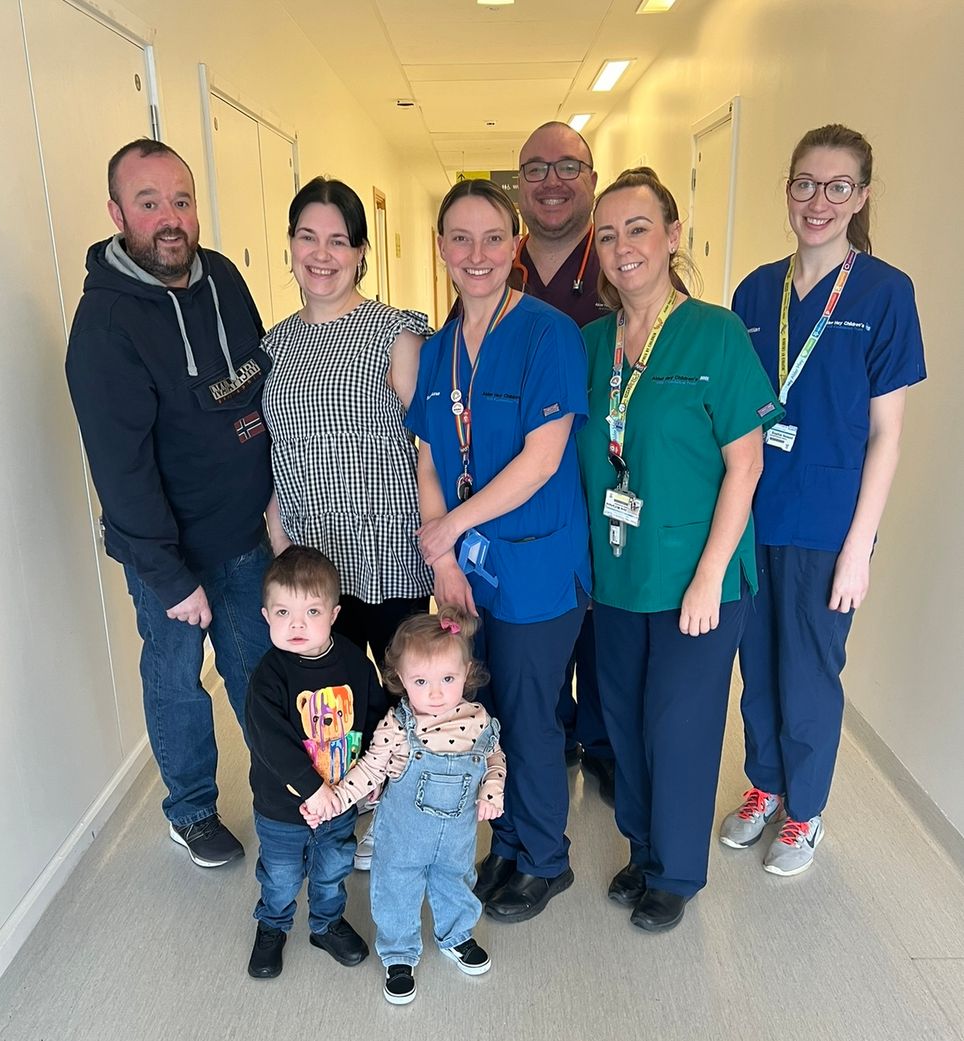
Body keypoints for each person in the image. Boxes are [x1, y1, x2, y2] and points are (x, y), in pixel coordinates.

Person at [577, 168, 783, 932]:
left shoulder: (715, 333)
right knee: (625, 721)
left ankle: (676, 872)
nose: (623, 246)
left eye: (638, 228)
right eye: (607, 234)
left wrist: (708, 576)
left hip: (700, 577)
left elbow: (746, 464)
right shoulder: (592, 344)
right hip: (617, 569)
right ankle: (642, 848)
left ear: (671, 236)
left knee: (680, 726)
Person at [719, 125, 926, 876]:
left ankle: (804, 811)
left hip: (828, 526)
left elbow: (887, 435)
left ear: (861, 197)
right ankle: (765, 785)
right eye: (805, 183)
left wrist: (859, 548)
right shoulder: (753, 292)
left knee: (809, 671)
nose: (819, 201)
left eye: (839, 187)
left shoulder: (885, 293)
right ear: (788, 189)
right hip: (752, 515)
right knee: (757, 663)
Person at [66, 138, 274, 869]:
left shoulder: (223, 277)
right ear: (118, 213)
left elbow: (255, 378)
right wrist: (168, 576)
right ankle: (191, 809)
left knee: (258, 670)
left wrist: (274, 504)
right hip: (169, 557)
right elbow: (120, 471)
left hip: (244, 534)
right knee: (178, 681)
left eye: (180, 201)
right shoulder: (105, 327)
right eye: (149, 203)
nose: (170, 218)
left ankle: (284, 790)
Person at [405, 178, 591, 924]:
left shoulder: (549, 333)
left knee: (529, 712)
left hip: (537, 565)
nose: (475, 254)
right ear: (441, 248)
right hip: (467, 570)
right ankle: (507, 843)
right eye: (460, 238)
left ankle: (546, 858)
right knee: (480, 710)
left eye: (491, 238)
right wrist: (444, 559)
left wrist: (450, 530)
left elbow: (541, 461)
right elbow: (427, 458)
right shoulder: (439, 348)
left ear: (515, 245)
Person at [261, 176, 433, 667]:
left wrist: (440, 544)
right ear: (291, 243)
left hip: (391, 554)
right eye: (308, 237)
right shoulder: (274, 345)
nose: (321, 254)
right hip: (312, 563)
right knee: (332, 703)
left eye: (338, 241)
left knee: (408, 695)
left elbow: (432, 445)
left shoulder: (394, 331)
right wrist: (279, 541)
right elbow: (272, 451)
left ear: (360, 252)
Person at [303, 608, 505, 1005]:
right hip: (402, 839)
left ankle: (456, 935)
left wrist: (492, 791)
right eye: (421, 681)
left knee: (456, 881)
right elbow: (368, 770)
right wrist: (335, 800)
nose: (435, 693)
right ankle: (398, 953)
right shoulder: (398, 726)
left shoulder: (478, 720)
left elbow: (494, 757)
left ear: (466, 673)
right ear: (400, 679)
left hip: (456, 839)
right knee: (396, 889)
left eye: (448, 679)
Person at [514, 121, 616, 802]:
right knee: (537, 628)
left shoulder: (615, 261)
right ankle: (549, 739)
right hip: (525, 488)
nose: (551, 181)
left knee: (603, 630)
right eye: (536, 169)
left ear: (592, 180)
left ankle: (602, 741)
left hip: (605, 479)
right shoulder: (499, 264)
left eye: (568, 167)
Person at [244, 546, 386, 979]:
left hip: (340, 802)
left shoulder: (354, 663)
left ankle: (326, 924)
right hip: (282, 808)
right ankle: (273, 925)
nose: (297, 624)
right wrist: (312, 789)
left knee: (333, 868)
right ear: (266, 616)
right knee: (282, 874)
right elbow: (271, 743)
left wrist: (372, 776)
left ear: (334, 614)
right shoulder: (268, 677)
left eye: (311, 611)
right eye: (283, 613)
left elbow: (375, 718)